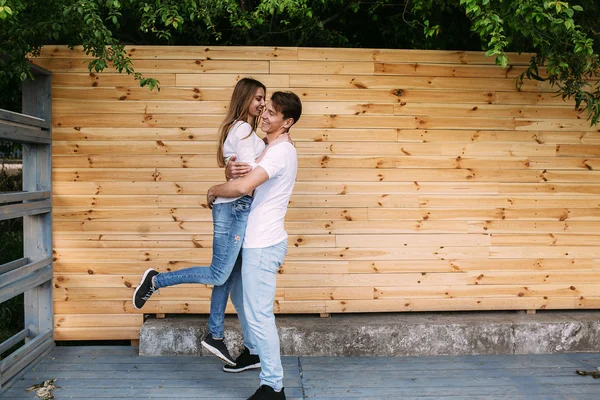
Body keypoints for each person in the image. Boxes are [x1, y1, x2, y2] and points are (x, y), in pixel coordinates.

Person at [132, 78, 287, 366]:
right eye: (257, 98)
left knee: (226, 274)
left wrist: (240, 167)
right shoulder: (241, 128)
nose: (262, 104)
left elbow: (250, 163)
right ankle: (156, 280)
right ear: (243, 99)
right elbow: (247, 176)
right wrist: (230, 175)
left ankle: (216, 334)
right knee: (219, 273)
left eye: (264, 99)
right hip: (234, 208)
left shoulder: (244, 132)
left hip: (238, 209)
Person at [207, 91, 302, 400]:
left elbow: (245, 186)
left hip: (263, 244)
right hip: (252, 241)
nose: (265, 115)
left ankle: (273, 386)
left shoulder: (280, 152)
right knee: (238, 295)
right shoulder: (269, 147)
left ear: (287, 122)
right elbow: (239, 172)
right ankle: (253, 353)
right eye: (266, 109)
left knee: (260, 314)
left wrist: (213, 190)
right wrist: (227, 173)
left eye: (272, 113)